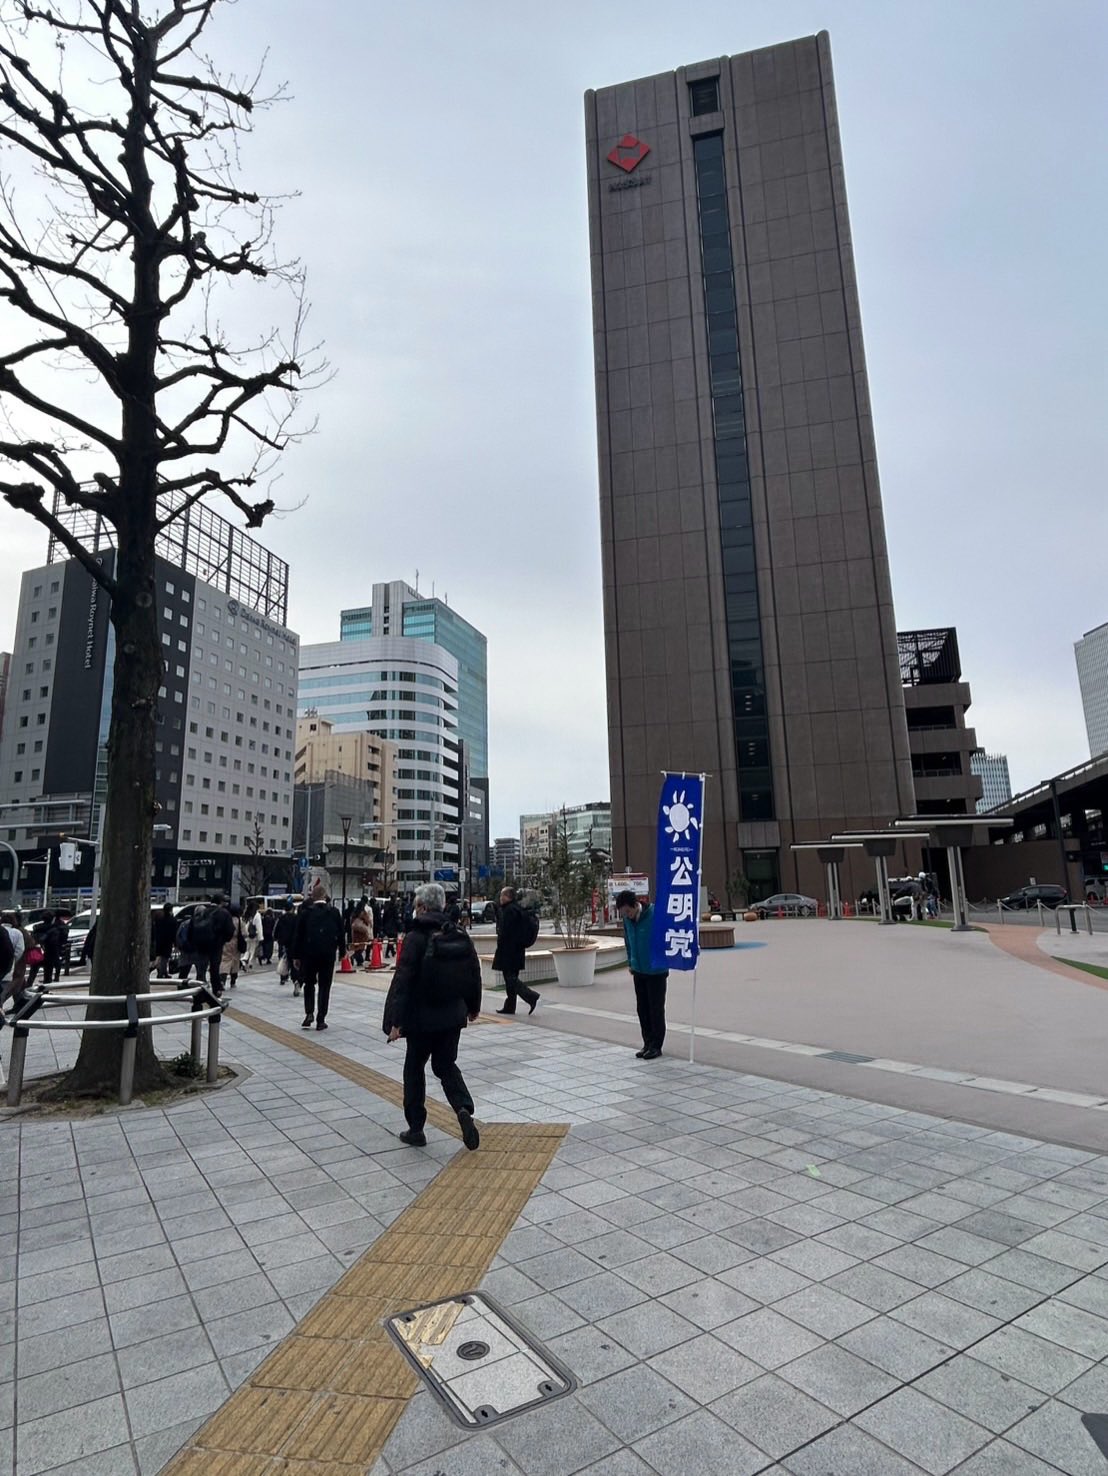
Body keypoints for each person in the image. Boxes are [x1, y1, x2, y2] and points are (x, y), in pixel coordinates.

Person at [382, 881, 481, 1150]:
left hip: (421, 1020)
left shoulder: (416, 937)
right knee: (446, 1065)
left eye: (416, 905)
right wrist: (473, 1007)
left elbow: (403, 980)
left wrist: (395, 1021)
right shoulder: (458, 933)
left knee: (414, 1069)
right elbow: (474, 973)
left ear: (423, 907)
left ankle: (416, 1129)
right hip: (452, 1016)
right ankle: (463, 1108)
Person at [616, 889, 669, 1059]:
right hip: (638, 970)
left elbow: (667, 934)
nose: (627, 915)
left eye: (628, 911)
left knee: (655, 1009)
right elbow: (628, 941)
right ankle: (647, 1043)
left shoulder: (654, 914)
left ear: (635, 905)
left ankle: (656, 1046)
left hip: (656, 970)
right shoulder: (627, 920)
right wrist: (630, 962)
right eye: (624, 913)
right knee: (642, 1009)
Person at [293, 882, 346, 1030]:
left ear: (312, 897)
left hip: (309, 954)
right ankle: (321, 1019)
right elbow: (341, 933)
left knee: (309, 984)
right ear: (325, 896)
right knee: (325, 986)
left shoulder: (305, 913)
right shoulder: (334, 912)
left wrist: (296, 956)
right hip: (328, 955)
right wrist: (342, 952)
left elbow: (298, 936)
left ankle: (309, 1012)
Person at [492, 885, 540, 1015]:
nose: (500, 898)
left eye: (502, 895)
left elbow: (506, 932)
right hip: (517, 950)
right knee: (511, 979)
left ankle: (531, 996)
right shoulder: (517, 908)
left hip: (509, 951)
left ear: (507, 897)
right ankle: (510, 1006)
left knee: (510, 978)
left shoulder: (509, 911)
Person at [178, 895, 235, 997]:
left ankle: (200, 989)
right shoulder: (224, 913)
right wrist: (222, 940)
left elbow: (191, 928)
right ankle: (216, 989)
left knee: (201, 968)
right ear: (220, 902)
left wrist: (194, 943)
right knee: (214, 967)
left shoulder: (202, 912)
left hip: (201, 945)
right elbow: (230, 930)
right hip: (216, 945)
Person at [274, 902, 300, 992]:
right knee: (294, 964)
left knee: (284, 960)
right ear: (292, 909)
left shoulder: (281, 918)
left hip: (284, 944)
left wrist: (278, 939)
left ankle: (283, 976)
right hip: (294, 944)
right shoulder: (296, 918)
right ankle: (296, 981)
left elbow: (276, 932)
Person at [219, 905, 246, 991]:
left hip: (226, 942)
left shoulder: (226, 920)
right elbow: (245, 933)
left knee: (225, 961)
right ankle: (233, 981)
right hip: (236, 943)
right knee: (235, 961)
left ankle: (222, 980)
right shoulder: (239, 921)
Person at [152, 902, 178, 977]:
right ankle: (162, 973)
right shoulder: (172, 920)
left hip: (159, 940)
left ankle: (162, 972)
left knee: (159, 957)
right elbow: (174, 933)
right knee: (165, 958)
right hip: (167, 941)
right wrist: (175, 943)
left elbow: (155, 930)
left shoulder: (159, 919)